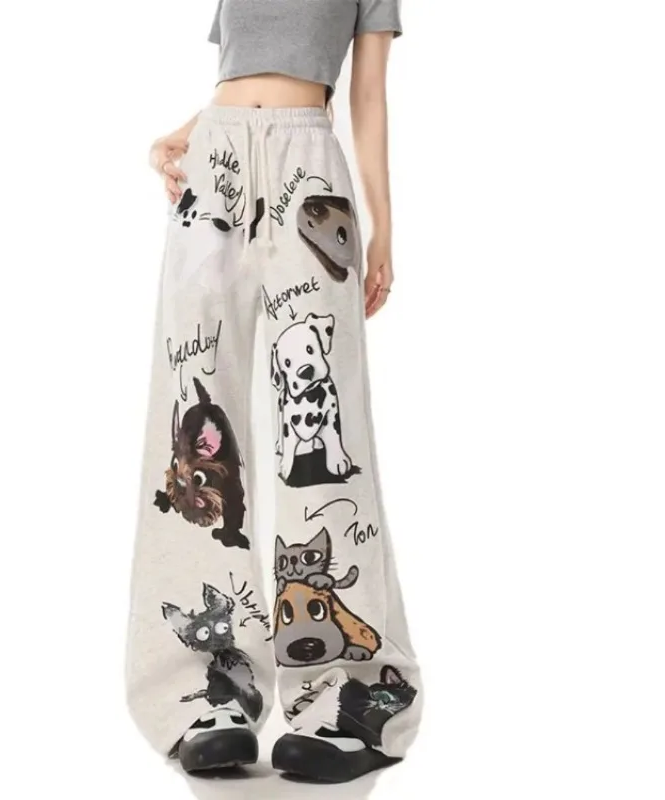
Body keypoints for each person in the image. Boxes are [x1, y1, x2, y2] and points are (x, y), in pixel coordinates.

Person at [126, 0, 421, 784]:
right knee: (192, 420)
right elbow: (241, 73)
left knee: (319, 431)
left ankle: (349, 691)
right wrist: (185, 133)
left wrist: (383, 227)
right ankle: (208, 688)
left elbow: (364, 94)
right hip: (216, 168)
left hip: (309, 169)